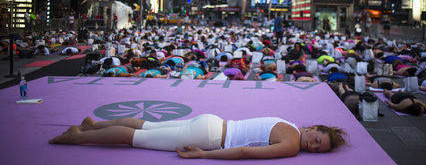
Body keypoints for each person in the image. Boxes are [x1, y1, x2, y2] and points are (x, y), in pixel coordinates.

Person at [48, 114, 347, 159]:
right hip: (212, 136)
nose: (313, 147)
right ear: (314, 130)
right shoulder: (292, 145)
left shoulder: (290, 124)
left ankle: (92, 125)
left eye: (318, 150)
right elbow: (243, 153)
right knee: (135, 138)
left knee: (146, 126)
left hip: (213, 121)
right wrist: (203, 155)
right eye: (317, 141)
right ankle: (77, 136)